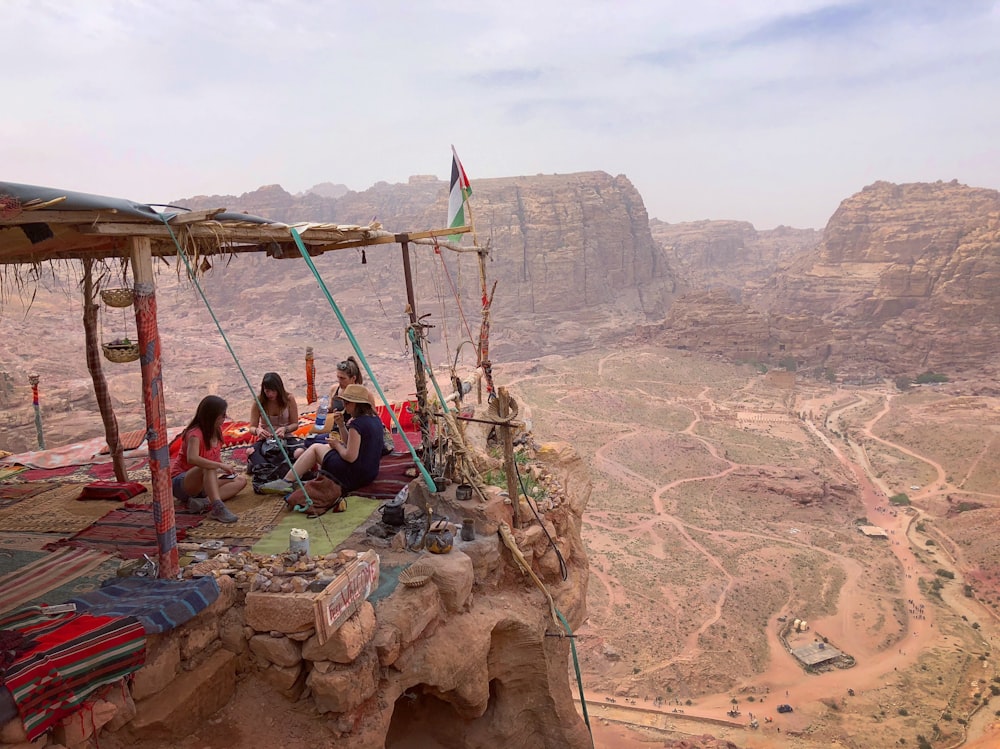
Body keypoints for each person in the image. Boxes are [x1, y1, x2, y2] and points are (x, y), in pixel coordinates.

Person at [261, 384, 384, 512]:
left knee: (315, 448)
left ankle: (286, 481)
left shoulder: (357, 424)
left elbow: (350, 456)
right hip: (369, 472)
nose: (344, 405)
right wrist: (341, 425)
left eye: (347, 402)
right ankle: (297, 477)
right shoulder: (374, 419)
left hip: (354, 474)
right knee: (324, 447)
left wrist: (337, 445)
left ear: (356, 404)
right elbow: (350, 444)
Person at [170, 395, 244, 523]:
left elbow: (214, 458)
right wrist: (219, 465)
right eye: (222, 415)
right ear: (211, 416)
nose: (224, 418)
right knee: (209, 467)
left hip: (204, 481)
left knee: (240, 480)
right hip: (183, 482)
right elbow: (192, 458)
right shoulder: (195, 434)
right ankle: (217, 508)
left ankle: (203, 503)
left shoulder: (217, 431)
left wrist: (225, 466)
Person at [249, 372, 299, 439]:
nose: (270, 394)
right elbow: (252, 427)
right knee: (251, 450)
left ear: (279, 389)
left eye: (273, 391)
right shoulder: (258, 402)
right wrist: (257, 430)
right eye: (267, 391)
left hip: (286, 437)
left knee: (299, 450)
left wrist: (285, 429)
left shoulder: (289, 399)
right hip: (266, 439)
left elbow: (295, 424)